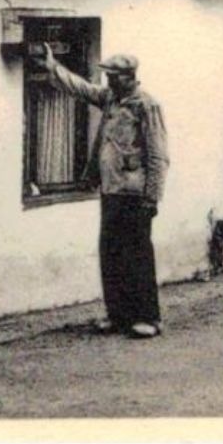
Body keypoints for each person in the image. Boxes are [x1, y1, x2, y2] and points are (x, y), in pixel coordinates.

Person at [41, 45, 170, 339]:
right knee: (111, 255)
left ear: (128, 77)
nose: (108, 81)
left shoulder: (146, 106)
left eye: (113, 76)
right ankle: (119, 316)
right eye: (108, 76)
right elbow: (83, 89)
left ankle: (148, 317)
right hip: (111, 190)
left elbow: (158, 156)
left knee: (137, 255)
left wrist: (153, 197)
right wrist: (53, 67)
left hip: (136, 194)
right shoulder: (111, 99)